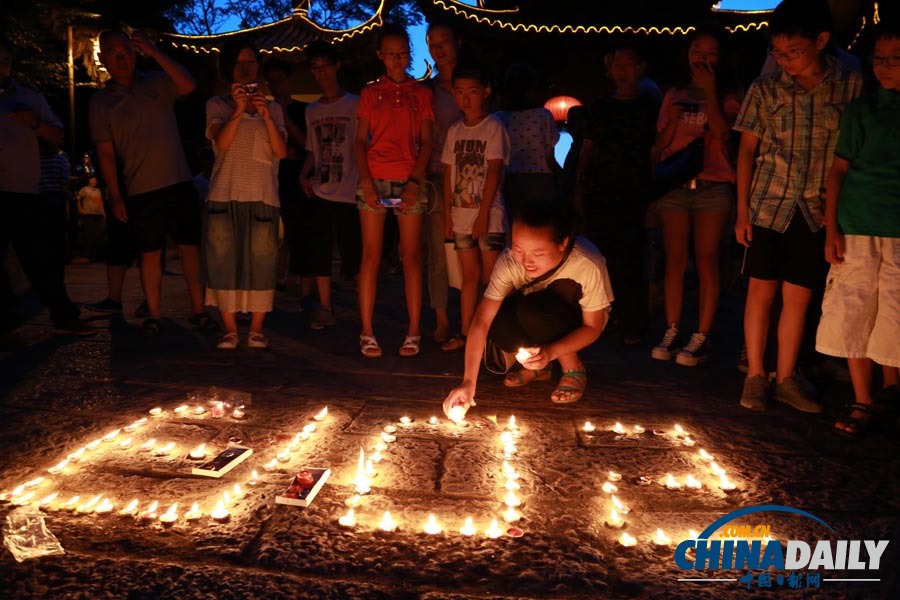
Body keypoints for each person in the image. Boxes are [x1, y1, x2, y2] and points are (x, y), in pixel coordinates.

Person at [733, 0, 862, 413]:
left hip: (817, 208)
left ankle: (786, 376)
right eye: (778, 52)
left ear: (821, 41)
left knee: (799, 296)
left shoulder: (849, 84)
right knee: (760, 292)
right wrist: (741, 211)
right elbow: (746, 152)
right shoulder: (766, 88)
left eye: (794, 51)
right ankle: (756, 374)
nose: (785, 60)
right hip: (768, 204)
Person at [443, 199, 613, 416]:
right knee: (500, 321)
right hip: (533, 313)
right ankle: (538, 367)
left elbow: (593, 328)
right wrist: (468, 382)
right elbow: (482, 320)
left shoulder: (587, 263)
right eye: (518, 249)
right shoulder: (509, 262)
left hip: (573, 320)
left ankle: (573, 368)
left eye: (538, 254)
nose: (526, 261)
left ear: (562, 243)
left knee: (534, 311)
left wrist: (550, 351)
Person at [90, 30, 208, 336]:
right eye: (113, 53)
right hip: (140, 187)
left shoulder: (156, 81)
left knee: (190, 248)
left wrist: (154, 51)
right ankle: (154, 314)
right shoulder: (101, 102)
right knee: (149, 253)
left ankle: (199, 310)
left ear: (135, 53)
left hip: (178, 180)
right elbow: (105, 152)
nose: (121, 58)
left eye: (126, 51)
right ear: (103, 59)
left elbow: (188, 85)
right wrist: (115, 195)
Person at [815, 22, 900, 437]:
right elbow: (839, 169)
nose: (885, 67)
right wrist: (832, 226)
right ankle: (863, 398)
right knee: (853, 308)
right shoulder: (863, 109)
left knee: (895, 314)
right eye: (879, 59)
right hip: (858, 222)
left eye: (894, 59)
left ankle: (891, 392)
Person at [649, 25, 743, 366]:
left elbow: (723, 132)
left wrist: (710, 93)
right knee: (674, 261)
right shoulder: (673, 92)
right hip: (676, 187)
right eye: (696, 52)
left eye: (711, 53)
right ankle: (672, 329)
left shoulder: (730, 94)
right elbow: (658, 147)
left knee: (706, 260)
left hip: (713, 186)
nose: (702, 59)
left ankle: (701, 336)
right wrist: (672, 123)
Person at [0, 35, 92, 336]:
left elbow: (57, 136)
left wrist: (33, 124)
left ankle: (64, 316)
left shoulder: (28, 98)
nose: (1, 65)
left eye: (5, 59)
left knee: (39, 259)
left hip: (22, 192)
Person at [355, 24, 434, 358]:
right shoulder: (370, 94)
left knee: (411, 257)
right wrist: (366, 181)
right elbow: (360, 140)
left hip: (408, 178)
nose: (397, 58)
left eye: (402, 52)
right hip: (375, 177)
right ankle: (367, 332)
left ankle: (413, 330)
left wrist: (415, 181)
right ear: (380, 55)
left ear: (409, 53)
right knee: (371, 256)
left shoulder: (421, 93)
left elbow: (428, 140)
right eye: (390, 53)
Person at [575, 46, 660, 344]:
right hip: (602, 189)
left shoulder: (651, 106)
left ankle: (633, 322)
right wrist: (580, 190)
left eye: (629, 64)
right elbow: (588, 150)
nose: (622, 70)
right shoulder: (600, 108)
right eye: (617, 65)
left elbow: (655, 152)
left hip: (635, 189)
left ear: (640, 67)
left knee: (633, 258)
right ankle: (602, 319)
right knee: (601, 257)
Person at [205, 41, 286, 350]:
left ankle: (256, 328)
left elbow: (281, 150)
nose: (246, 68)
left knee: (262, 261)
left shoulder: (273, 107)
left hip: (263, 193)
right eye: (239, 63)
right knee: (223, 259)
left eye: (251, 62)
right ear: (228, 69)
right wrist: (239, 109)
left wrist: (264, 115)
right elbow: (221, 142)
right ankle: (229, 329)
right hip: (224, 191)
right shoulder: (217, 104)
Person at [440, 63, 510, 352]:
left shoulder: (493, 127)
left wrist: (483, 214)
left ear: (485, 92)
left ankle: (495, 335)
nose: (466, 98)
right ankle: (467, 332)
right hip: (461, 214)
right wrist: (448, 214)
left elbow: (494, 171)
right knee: (468, 277)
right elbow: (448, 174)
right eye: (460, 92)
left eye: (472, 91)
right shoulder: (455, 130)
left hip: (488, 215)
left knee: (492, 278)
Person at [299, 41, 362, 330]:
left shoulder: (355, 104)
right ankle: (325, 306)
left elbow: (364, 144)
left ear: (337, 66)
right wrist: (303, 174)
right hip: (322, 188)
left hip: (351, 190)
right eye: (315, 68)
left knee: (354, 252)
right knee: (320, 249)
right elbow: (313, 149)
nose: (321, 73)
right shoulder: (312, 110)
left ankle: (365, 307)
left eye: (325, 66)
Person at [425, 21, 464, 344]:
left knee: (470, 248)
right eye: (432, 43)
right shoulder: (428, 91)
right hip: (437, 174)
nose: (438, 49)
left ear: (457, 43)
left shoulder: (473, 84)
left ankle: (470, 317)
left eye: (444, 41)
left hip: (470, 175)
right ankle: (441, 316)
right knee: (438, 250)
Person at [261, 58, 308, 294]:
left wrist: (285, 120)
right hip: (273, 175)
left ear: (288, 80)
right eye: (270, 82)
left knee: (296, 227)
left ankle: (296, 274)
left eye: (278, 81)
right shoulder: (264, 111)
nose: (274, 86)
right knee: (274, 229)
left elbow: (307, 144)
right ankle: (280, 272)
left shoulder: (302, 110)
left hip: (296, 175)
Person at [495, 64, 559, 222]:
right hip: (540, 182)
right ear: (533, 89)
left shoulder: (498, 119)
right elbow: (550, 158)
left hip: (509, 182)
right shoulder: (543, 116)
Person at [74, 176, 106, 263]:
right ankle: (88, 256)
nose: (94, 181)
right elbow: (78, 198)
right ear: (89, 181)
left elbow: (101, 202)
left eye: (95, 180)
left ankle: (97, 255)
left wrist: (104, 214)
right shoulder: (84, 189)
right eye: (92, 180)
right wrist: (80, 209)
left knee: (100, 233)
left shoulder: (98, 190)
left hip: (98, 214)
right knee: (89, 234)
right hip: (88, 214)